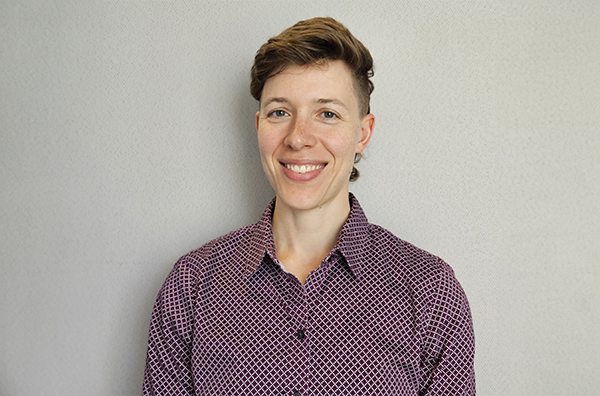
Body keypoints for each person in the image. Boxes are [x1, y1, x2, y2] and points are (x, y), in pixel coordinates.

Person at [142, 17, 475, 395]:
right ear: (258, 126)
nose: (298, 138)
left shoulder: (429, 291)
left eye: (327, 113)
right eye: (280, 112)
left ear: (362, 133)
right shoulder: (191, 285)